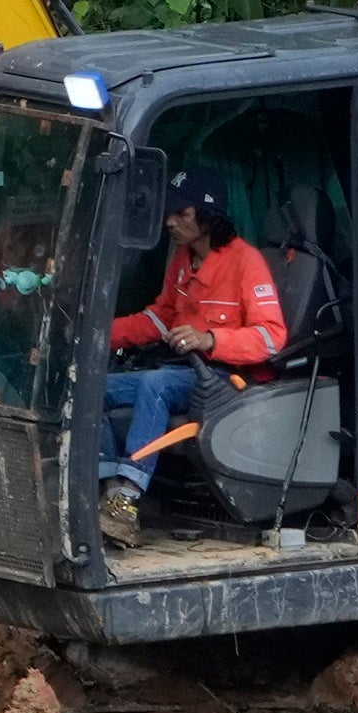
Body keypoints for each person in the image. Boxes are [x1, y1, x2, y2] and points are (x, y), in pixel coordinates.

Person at [98, 173, 290, 548]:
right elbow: (160, 317)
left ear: (207, 215)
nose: (170, 221)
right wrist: (98, 335)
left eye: (181, 213)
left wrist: (210, 339)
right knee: (96, 387)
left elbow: (271, 336)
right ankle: (108, 490)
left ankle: (128, 497)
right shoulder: (184, 261)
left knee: (156, 385)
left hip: (226, 378)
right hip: (185, 373)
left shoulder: (246, 262)